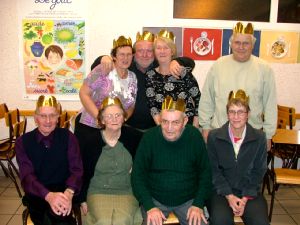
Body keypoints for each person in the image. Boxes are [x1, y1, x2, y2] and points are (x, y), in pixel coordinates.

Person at [94, 30, 195, 156]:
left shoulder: (159, 67)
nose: (145, 55)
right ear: (134, 54)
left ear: (154, 53)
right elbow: (96, 65)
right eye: (140, 51)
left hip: (156, 131)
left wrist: (178, 62)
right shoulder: (126, 67)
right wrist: (104, 58)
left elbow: (190, 62)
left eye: (149, 51)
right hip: (128, 129)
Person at [74, 35, 137, 205]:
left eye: (129, 54)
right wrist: (99, 118)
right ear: (114, 56)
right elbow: (83, 93)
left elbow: (130, 105)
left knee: (104, 164)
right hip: (90, 125)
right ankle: (82, 200)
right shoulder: (103, 70)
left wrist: (123, 119)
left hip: (114, 126)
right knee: (87, 164)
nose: (125, 58)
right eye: (121, 54)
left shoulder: (132, 77)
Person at [131, 96, 212, 225]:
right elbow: (137, 176)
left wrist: (198, 204)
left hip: (188, 200)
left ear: (185, 121)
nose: (169, 128)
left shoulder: (194, 137)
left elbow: (206, 174)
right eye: (165, 121)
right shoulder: (149, 138)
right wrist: (149, 206)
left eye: (175, 122)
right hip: (155, 200)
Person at [198, 22, 277, 150]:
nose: (241, 47)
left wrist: (268, 135)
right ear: (231, 44)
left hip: (252, 137)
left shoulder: (264, 69)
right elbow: (207, 99)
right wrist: (205, 127)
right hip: (219, 134)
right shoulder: (218, 65)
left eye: (246, 43)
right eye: (237, 43)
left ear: (252, 45)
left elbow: (270, 104)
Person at [16, 95, 83, 225]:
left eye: (52, 115)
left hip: (65, 192)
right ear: (35, 118)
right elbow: (27, 176)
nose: (48, 120)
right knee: (49, 219)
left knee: (60, 216)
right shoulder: (23, 142)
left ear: (58, 118)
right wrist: (49, 196)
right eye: (43, 116)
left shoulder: (69, 138)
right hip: (37, 193)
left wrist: (69, 193)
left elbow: (77, 169)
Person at [206, 89, 269, 225]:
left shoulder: (259, 138)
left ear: (248, 114)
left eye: (240, 112)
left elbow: (259, 171)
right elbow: (213, 170)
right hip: (221, 192)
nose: (236, 117)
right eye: (232, 112)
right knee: (221, 220)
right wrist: (229, 196)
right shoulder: (214, 137)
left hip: (249, 191)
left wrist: (245, 198)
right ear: (227, 114)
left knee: (260, 222)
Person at [82, 96, 140, 225]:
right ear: (102, 120)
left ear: (124, 117)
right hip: (98, 191)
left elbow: (144, 166)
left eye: (118, 115)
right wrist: (82, 199)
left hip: (126, 191)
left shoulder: (135, 138)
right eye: (108, 116)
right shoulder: (91, 141)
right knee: (103, 221)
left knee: (122, 221)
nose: (114, 119)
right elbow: (83, 172)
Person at [145, 29, 201, 127]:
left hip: (186, 124)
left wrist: (195, 127)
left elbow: (198, 100)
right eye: (158, 48)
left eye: (166, 48)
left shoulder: (182, 72)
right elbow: (152, 107)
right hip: (164, 126)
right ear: (154, 51)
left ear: (172, 51)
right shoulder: (150, 75)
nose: (162, 51)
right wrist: (163, 128)